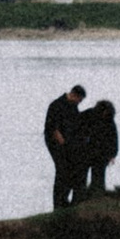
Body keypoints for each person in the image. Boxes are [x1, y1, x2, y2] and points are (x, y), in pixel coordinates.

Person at [43, 81, 88, 214]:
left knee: (69, 170)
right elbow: (53, 128)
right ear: (74, 95)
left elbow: (76, 126)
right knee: (62, 169)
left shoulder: (73, 107)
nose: (79, 103)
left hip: (68, 142)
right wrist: (63, 146)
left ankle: (65, 202)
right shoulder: (56, 105)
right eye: (79, 100)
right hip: (55, 142)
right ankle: (58, 204)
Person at [77, 91, 119, 200]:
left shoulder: (109, 120)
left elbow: (113, 138)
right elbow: (77, 131)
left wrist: (112, 154)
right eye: (105, 112)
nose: (106, 115)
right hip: (85, 151)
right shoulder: (87, 115)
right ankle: (80, 198)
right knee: (82, 177)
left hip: (101, 153)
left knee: (99, 177)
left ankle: (97, 197)